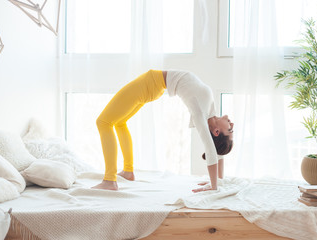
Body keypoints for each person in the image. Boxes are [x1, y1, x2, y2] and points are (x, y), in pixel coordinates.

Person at [92, 70, 233, 192]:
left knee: (103, 122)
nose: (231, 123)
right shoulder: (210, 112)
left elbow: (210, 149)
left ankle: (110, 180)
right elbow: (215, 150)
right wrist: (218, 180)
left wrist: (213, 187)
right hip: (153, 85)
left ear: (216, 131)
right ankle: (128, 171)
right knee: (120, 122)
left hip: (149, 83)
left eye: (230, 129)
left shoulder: (200, 115)